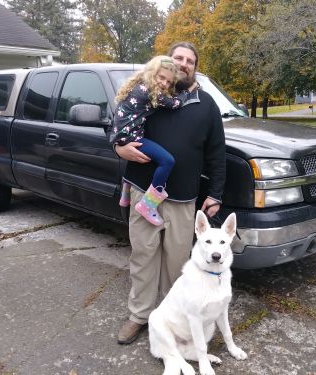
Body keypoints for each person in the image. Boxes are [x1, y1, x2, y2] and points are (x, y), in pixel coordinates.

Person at [115, 42, 226, 345]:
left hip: (183, 198)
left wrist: (215, 193)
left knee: (176, 261)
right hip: (144, 192)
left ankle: (170, 317)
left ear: (195, 67)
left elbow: (217, 153)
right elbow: (118, 121)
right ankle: (139, 315)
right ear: (168, 62)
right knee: (143, 256)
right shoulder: (148, 93)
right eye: (179, 58)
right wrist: (118, 147)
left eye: (190, 60)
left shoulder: (207, 105)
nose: (184, 63)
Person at [110, 56, 189, 226]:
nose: (164, 84)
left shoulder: (137, 87)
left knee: (142, 160)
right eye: (161, 78)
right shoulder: (148, 91)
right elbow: (174, 104)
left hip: (122, 136)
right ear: (151, 73)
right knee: (167, 161)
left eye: (169, 82)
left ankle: (125, 193)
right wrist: (185, 94)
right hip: (131, 137)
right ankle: (148, 205)